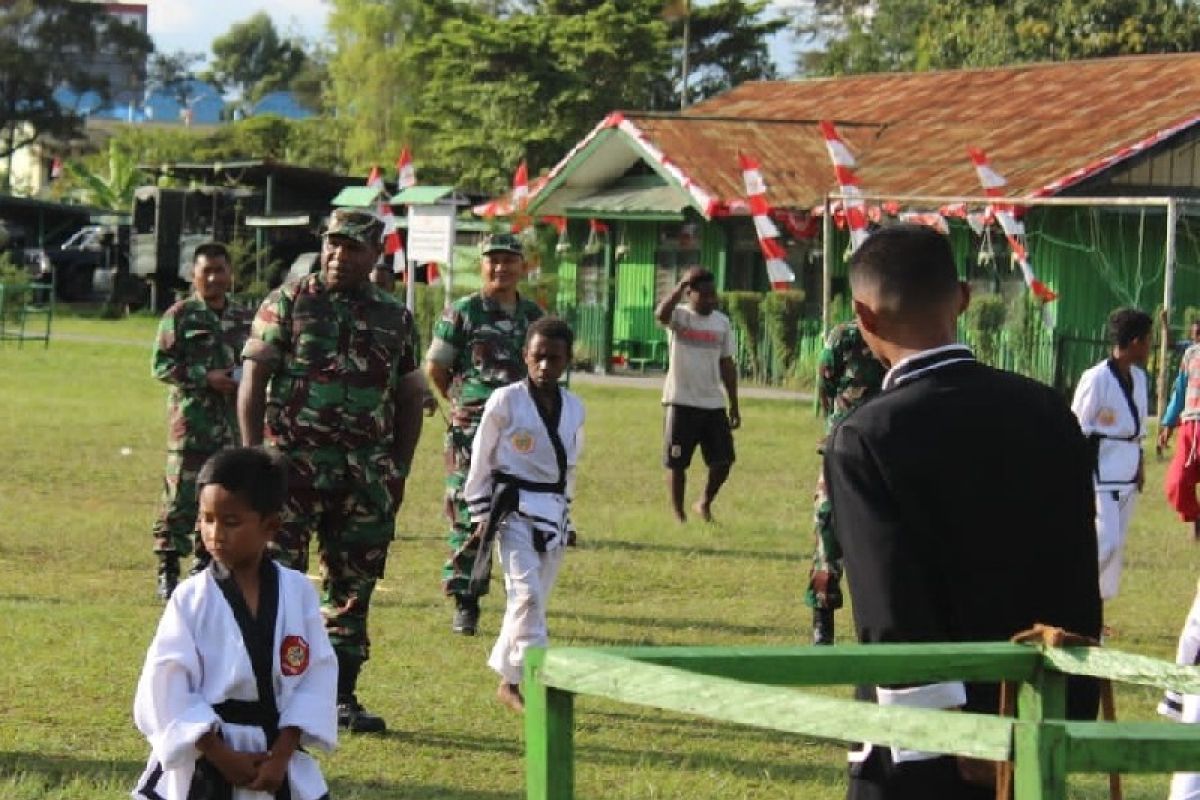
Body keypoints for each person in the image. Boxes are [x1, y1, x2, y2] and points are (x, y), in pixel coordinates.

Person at [824, 224, 1101, 800]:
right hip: (1033, 719)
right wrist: (1064, 716)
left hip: (922, 748)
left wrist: (949, 732)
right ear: (964, 298)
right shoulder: (1048, 411)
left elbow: (889, 612)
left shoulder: (866, 436)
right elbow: (1077, 577)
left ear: (862, 316)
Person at [238, 208, 426, 734]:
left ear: (374, 255)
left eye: (353, 248)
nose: (339, 255)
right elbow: (253, 379)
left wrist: (399, 469)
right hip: (290, 473)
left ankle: (339, 697)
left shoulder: (395, 317)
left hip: (364, 478)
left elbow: (412, 393)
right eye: (333, 245)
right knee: (276, 583)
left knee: (352, 589)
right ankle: (263, 691)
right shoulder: (290, 301)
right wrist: (255, 458)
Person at [132, 447, 337, 800]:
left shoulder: (297, 592)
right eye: (206, 519)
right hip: (207, 753)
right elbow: (166, 682)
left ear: (270, 525)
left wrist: (283, 753)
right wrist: (217, 752)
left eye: (230, 522)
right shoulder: (191, 598)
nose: (215, 534)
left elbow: (315, 676)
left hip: (274, 756)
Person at [425, 231, 544, 636]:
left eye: (509, 260)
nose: (501, 268)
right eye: (493, 260)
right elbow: (437, 368)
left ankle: (522, 596)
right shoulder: (462, 312)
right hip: (471, 431)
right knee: (468, 513)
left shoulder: (534, 317)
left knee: (523, 510)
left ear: (522, 266)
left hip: (522, 433)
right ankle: (466, 599)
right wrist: (465, 405)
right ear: (482, 265)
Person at [463, 317, 584, 713]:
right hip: (512, 509)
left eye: (555, 358)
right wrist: (480, 512)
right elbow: (481, 458)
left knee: (531, 601)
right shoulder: (506, 400)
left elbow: (570, 468)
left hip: (552, 512)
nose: (546, 365)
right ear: (525, 357)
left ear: (568, 360)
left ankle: (508, 681)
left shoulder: (575, 407)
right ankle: (540, 679)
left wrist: (569, 518)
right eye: (539, 357)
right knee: (526, 595)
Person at [150, 241, 254, 600]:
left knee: (221, 497)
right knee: (180, 497)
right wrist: (204, 377)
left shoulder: (245, 318)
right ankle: (167, 565)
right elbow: (161, 365)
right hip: (192, 424)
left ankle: (204, 565)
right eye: (205, 271)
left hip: (231, 425)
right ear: (193, 275)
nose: (213, 278)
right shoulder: (180, 315)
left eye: (220, 270)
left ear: (230, 275)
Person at [806, 321, 884, 645]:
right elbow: (825, 386)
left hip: (884, 449)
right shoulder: (845, 337)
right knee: (828, 528)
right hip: (842, 448)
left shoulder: (900, 335)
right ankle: (822, 622)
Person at [1071, 308, 1151, 603]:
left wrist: (1140, 464)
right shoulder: (1096, 378)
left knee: (1116, 551)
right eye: (1148, 340)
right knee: (1107, 542)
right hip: (1100, 472)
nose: (1150, 346)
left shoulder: (1140, 379)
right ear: (1134, 341)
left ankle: (1097, 613)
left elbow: (1139, 427)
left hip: (1127, 469)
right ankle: (1073, 595)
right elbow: (1076, 425)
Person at [654, 267, 740, 523]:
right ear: (689, 294)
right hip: (680, 402)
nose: (711, 300)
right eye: (704, 295)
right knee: (677, 462)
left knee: (723, 460)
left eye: (713, 295)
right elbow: (661, 314)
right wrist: (679, 286)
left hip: (712, 403)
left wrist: (734, 404)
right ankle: (679, 515)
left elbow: (727, 364)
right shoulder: (679, 318)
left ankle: (703, 503)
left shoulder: (721, 322)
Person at [1160, 321, 1200, 536]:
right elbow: (1180, 390)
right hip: (1190, 426)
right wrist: (1168, 423)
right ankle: (1196, 516)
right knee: (1177, 482)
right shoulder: (1191, 355)